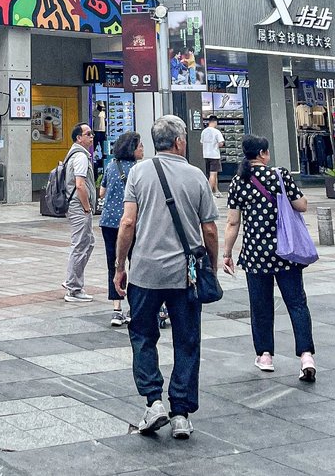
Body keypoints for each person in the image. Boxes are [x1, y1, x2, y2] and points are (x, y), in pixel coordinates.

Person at [114, 114, 218, 441]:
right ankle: (182, 413)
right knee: (187, 340)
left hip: (144, 272)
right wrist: (211, 267)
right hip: (185, 276)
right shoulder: (196, 175)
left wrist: (120, 266)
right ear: (179, 142)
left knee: (143, 336)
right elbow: (210, 229)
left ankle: (153, 401)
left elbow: (127, 223)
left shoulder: (138, 172)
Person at [223, 136, 316, 382]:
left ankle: (265, 355)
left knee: (260, 306)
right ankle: (306, 355)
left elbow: (233, 222)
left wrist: (226, 253)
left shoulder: (238, 181)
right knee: (296, 303)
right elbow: (302, 205)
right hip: (287, 253)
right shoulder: (279, 175)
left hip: (255, 255)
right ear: (263, 153)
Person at [99, 130, 143, 327]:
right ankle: (135, 307)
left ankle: (116, 309)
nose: (143, 149)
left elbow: (102, 192)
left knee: (114, 264)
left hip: (108, 222)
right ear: (132, 149)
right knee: (137, 263)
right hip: (130, 222)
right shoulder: (138, 170)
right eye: (140, 146)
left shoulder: (111, 165)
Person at [63, 122, 96, 304]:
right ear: (79, 138)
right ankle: (73, 289)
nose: (92, 137)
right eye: (88, 134)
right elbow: (80, 185)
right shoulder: (81, 157)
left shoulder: (74, 154)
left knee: (88, 242)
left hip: (75, 206)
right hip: (79, 207)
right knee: (80, 245)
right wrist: (87, 208)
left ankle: (71, 278)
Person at [200, 116, 226, 195]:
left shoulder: (204, 131)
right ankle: (209, 193)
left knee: (212, 174)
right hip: (214, 155)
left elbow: (201, 142)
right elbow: (221, 143)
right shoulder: (216, 131)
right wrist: (216, 145)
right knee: (213, 174)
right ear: (215, 122)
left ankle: (216, 191)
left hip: (206, 155)